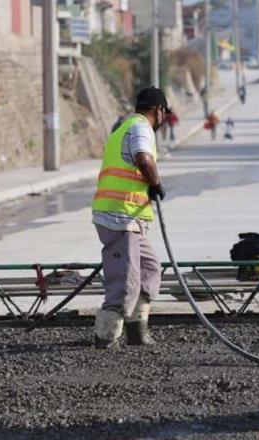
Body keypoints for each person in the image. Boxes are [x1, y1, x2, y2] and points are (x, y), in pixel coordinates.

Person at [91, 86, 169, 349]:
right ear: (158, 111)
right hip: (119, 215)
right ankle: (106, 336)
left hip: (131, 219)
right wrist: (155, 183)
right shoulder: (140, 128)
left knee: (149, 268)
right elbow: (143, 159)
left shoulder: (124, 127)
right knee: (125, 279)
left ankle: (137, 331)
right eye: (164, 113)